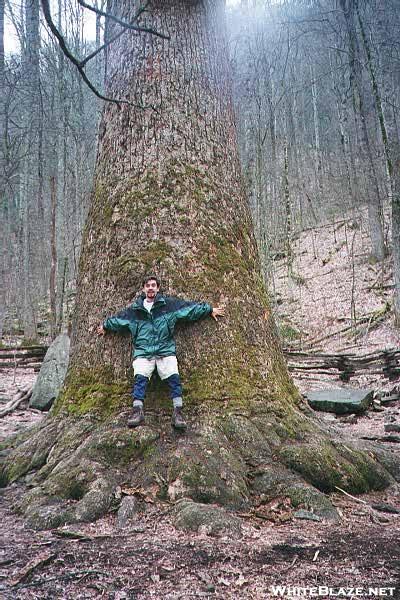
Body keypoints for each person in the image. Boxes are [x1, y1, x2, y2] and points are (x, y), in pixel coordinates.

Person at [97, 275, 225, 430]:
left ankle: (178, 413)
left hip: (165, 350)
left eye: (153, 285)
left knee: (174, 378)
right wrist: (105, 326)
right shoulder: (135, 311)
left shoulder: (168, 306)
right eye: (147, 285)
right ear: (143, 289)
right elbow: (119, 320)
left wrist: (208, 309)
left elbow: (189, 310)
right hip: (144, 352)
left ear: (157, 288)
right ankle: (137, 411)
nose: (150, 288)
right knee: (140, 379)